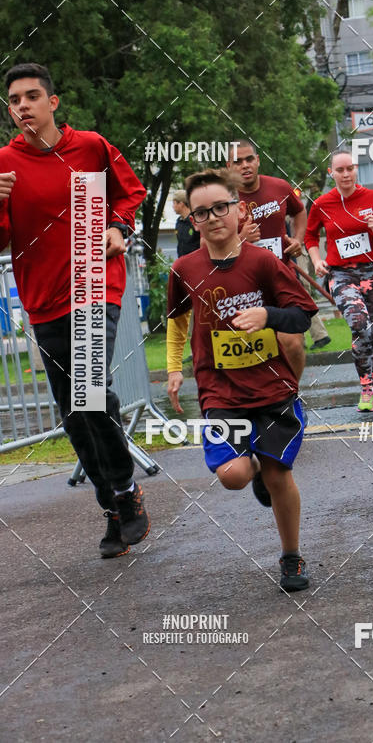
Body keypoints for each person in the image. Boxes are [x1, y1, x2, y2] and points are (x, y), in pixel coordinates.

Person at [0, 62, 150, 558]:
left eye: (31, 97)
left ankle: (126, 492)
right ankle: (113, 504)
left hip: (95, 283)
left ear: (52, 102)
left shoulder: (89, 147)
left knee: (87, 390)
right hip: (41, 297)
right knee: (72, 410)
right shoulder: (4, 163)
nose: (22, 106)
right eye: (15, 100)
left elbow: (130, 192)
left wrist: (119, 227)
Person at [166, 168, 317, 592]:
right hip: (220, 389)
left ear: (239, 210)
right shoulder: (184, 269)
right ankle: (249, 461)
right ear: (192, 221)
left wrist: (267, 315)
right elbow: (177, 322)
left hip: (271, 387)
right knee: (233, 475)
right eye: (202, 212)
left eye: (220, 207)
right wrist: (175, 368)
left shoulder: (264, 262)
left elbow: (302, 316)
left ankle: (291, 556)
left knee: (278, 474)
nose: (213, 217)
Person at [305, 148, 373, 411]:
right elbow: (310, 237)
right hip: (341, 274)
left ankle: (372, 386)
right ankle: (367, 389)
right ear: (331, 173)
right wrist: (316, 261)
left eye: (350, 169)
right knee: (359, 323)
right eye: (340, 170)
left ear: (356, 169)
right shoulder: (322, 203)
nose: (346, 174)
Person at [227, 139, 308, 379]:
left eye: (249, 159)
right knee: (252, 352)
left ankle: (291, 395)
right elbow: (205, 245)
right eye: (237, 161)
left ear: (258, 160)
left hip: (281, 277)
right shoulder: (222, 198)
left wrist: (298, 239)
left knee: (292, 343)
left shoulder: (280, 187)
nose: (245, 165)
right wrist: (241, 239)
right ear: (229, 166)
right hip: (242, 285)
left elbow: (300, 211)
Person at [172, 189, 200, 256]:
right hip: (182, 262)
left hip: (195, 261)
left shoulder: (196, 220)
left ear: (181, 204)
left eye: (174, 203)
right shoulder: (178, 221)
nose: (172, 206)